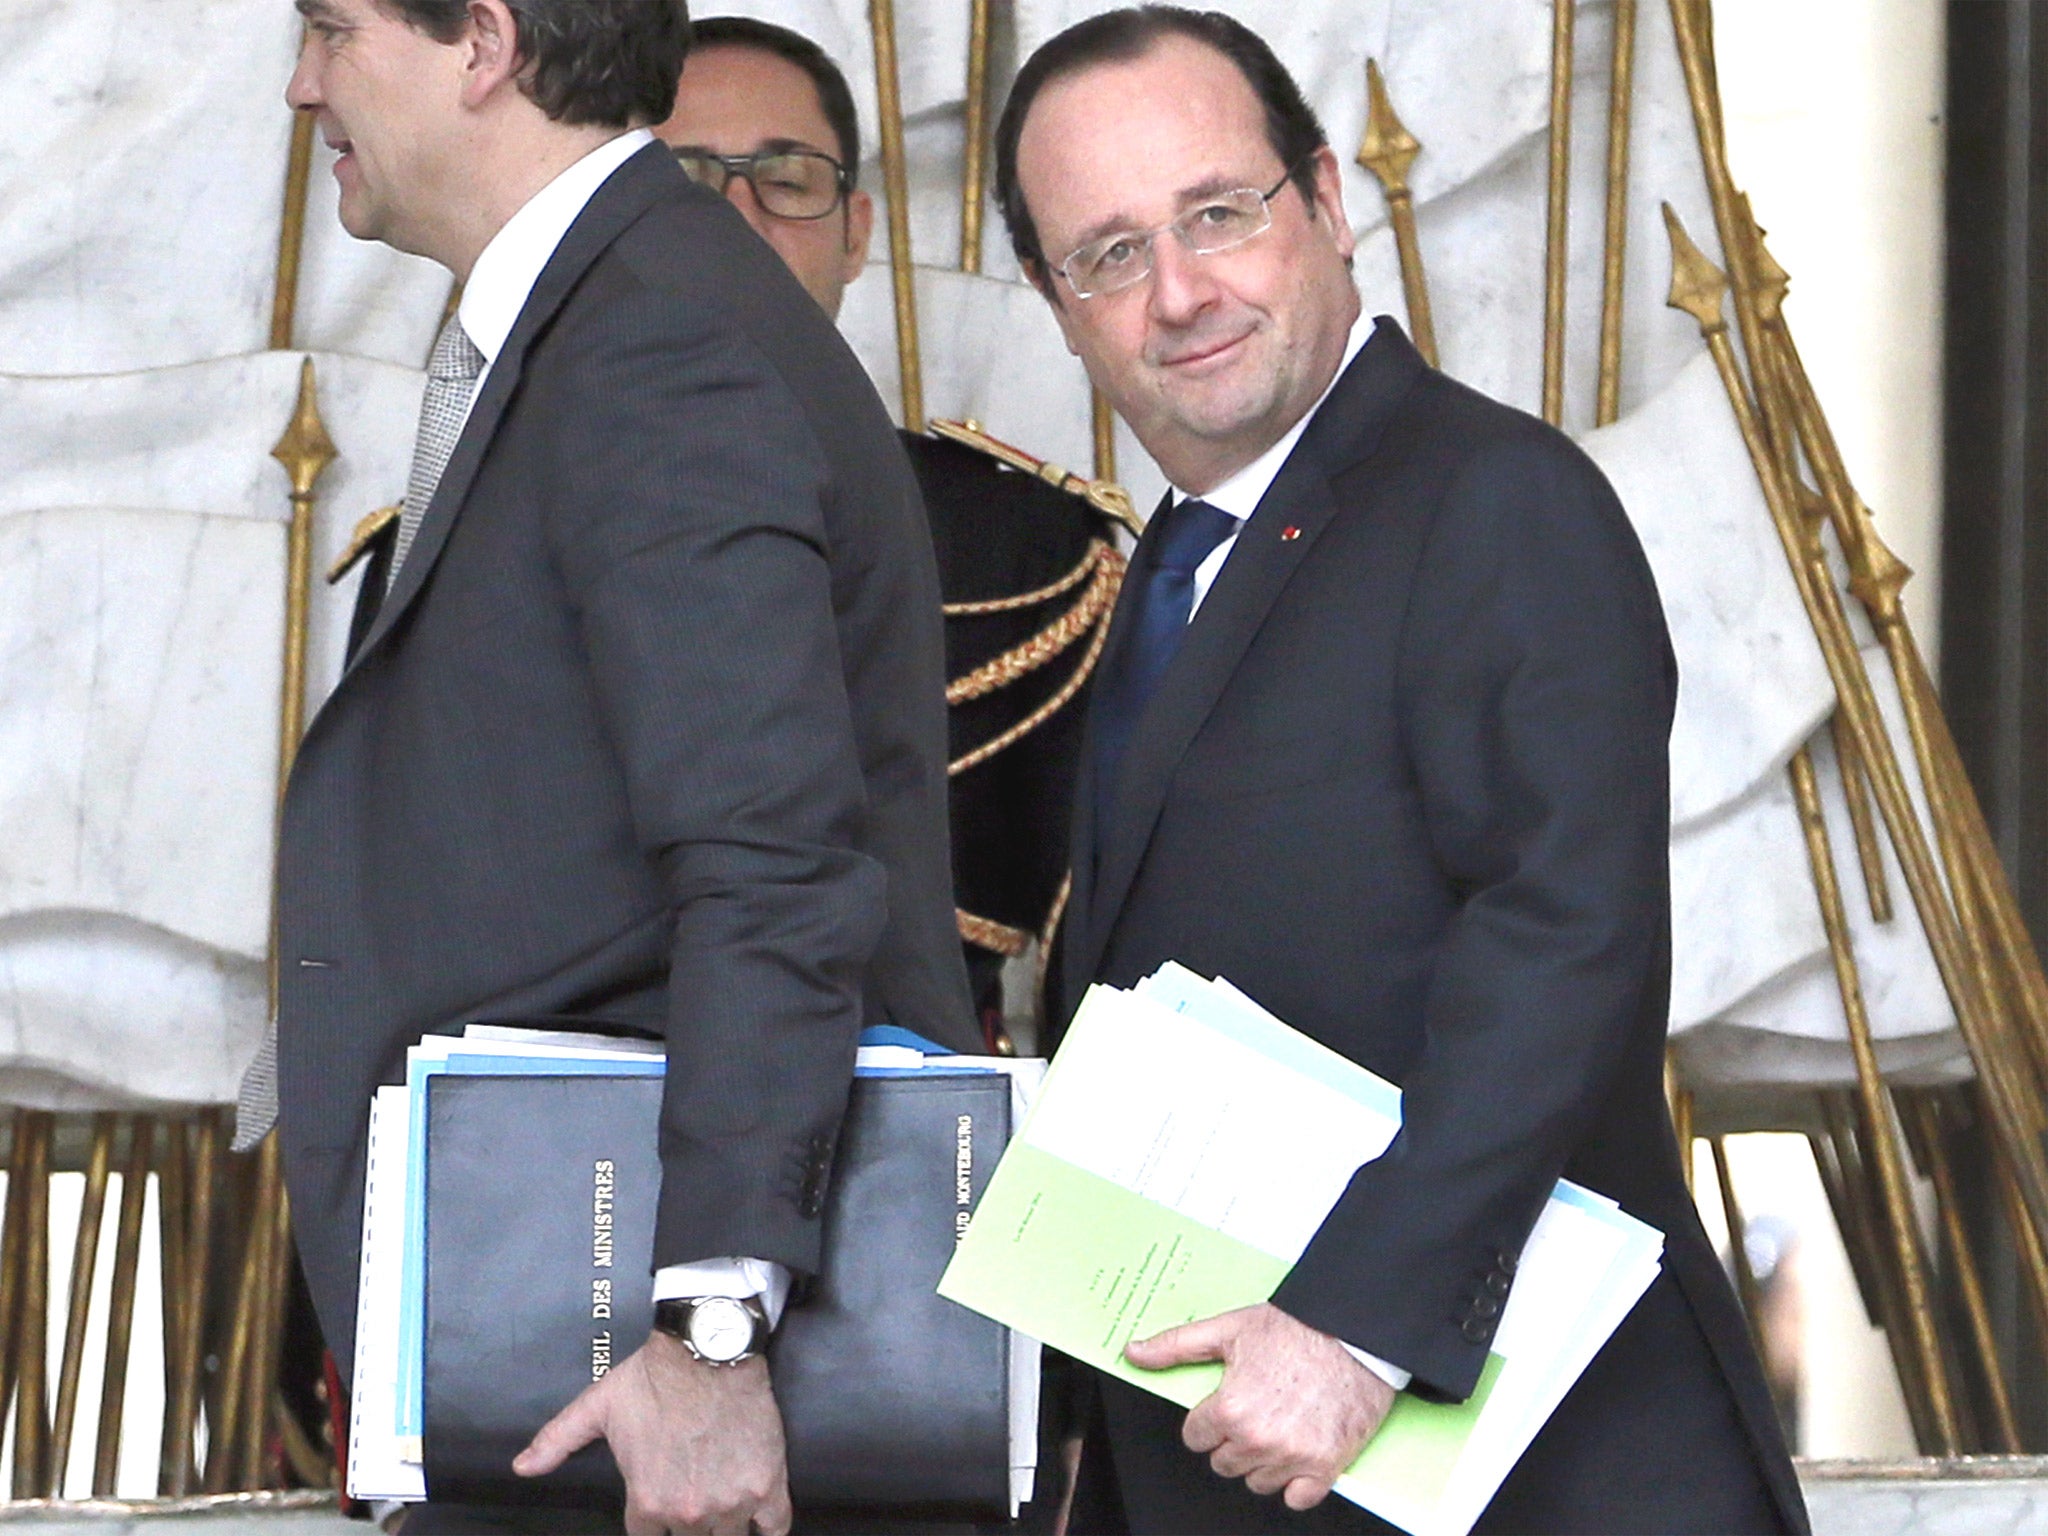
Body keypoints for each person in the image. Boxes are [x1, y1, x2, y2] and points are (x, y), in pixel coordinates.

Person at [992, 8, 1808, 1534]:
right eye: (1107, 254)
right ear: (1052, 301)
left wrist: (1362, 1323)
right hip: (1265, 1454)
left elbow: (1565, 938)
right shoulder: (1174, 559)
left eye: (1218, 214)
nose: (1179, 295)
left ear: (1326, 198)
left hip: (1528, 1463)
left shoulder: (1496, 500)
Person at [252, 2, 975, 1532]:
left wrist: (710, 1336)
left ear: (485, 43)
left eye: (329, 28)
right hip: (574, 1360)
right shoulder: (614, 304)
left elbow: (769, 859)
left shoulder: (655, 332)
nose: (305, 82)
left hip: (644, 1400)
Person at [657, 17, 1127, 1047]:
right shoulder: (458, 531)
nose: (735, 217)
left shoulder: (1025, 552)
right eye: (683, 178)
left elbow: (1102, 969)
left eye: (784, 178)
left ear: (855, 229)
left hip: (914, 1154)